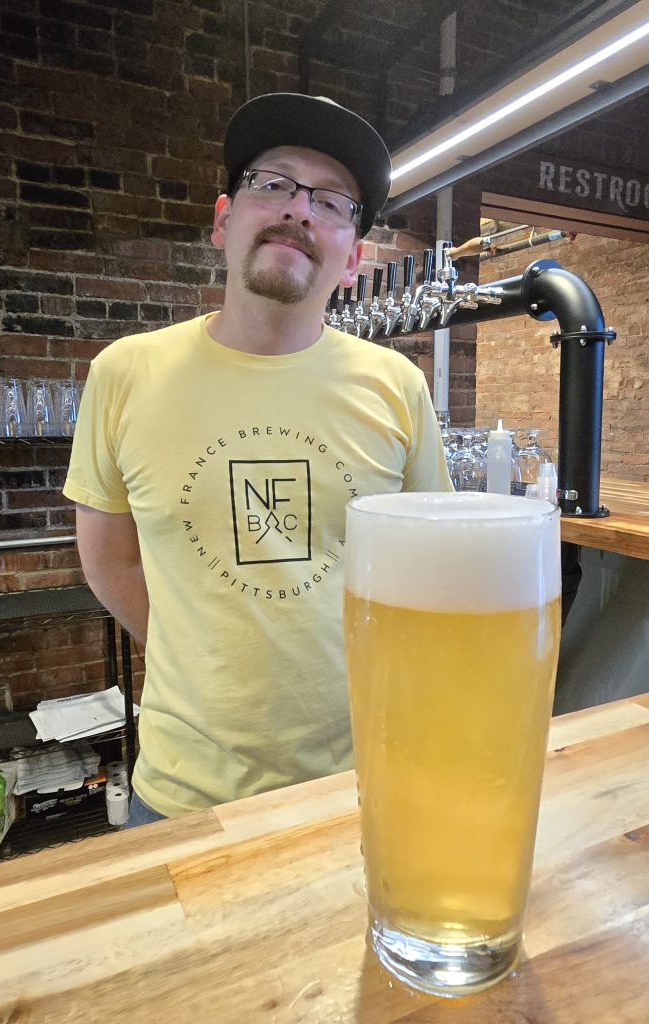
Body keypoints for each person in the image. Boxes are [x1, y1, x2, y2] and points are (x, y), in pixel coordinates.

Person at [63, 93, 452, 825]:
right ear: (222, 219)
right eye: (273, 184)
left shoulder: (399, 386)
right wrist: (200, 653)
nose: (300, 210)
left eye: (333, 202)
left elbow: (427, 570)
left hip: (361, 775)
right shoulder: (124, 372)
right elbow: (110, 560)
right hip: (182, 790)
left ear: (354, 255)